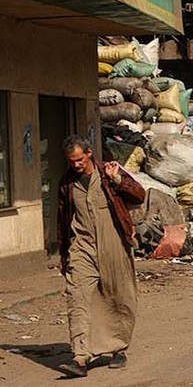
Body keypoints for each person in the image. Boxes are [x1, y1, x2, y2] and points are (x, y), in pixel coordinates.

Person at [56, 135, 145, 378]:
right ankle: (80, 357)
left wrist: (119, 181)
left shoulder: (108, 173)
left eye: (79, 160)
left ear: (88, 153)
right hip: (82, 245)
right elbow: (63, 219)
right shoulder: (67, 183)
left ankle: (118, 348)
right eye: (71, 161)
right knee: (77, 297)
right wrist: (64, 253)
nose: (76, 165)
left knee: (119, 295)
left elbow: (139, 195)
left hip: (113, 242)